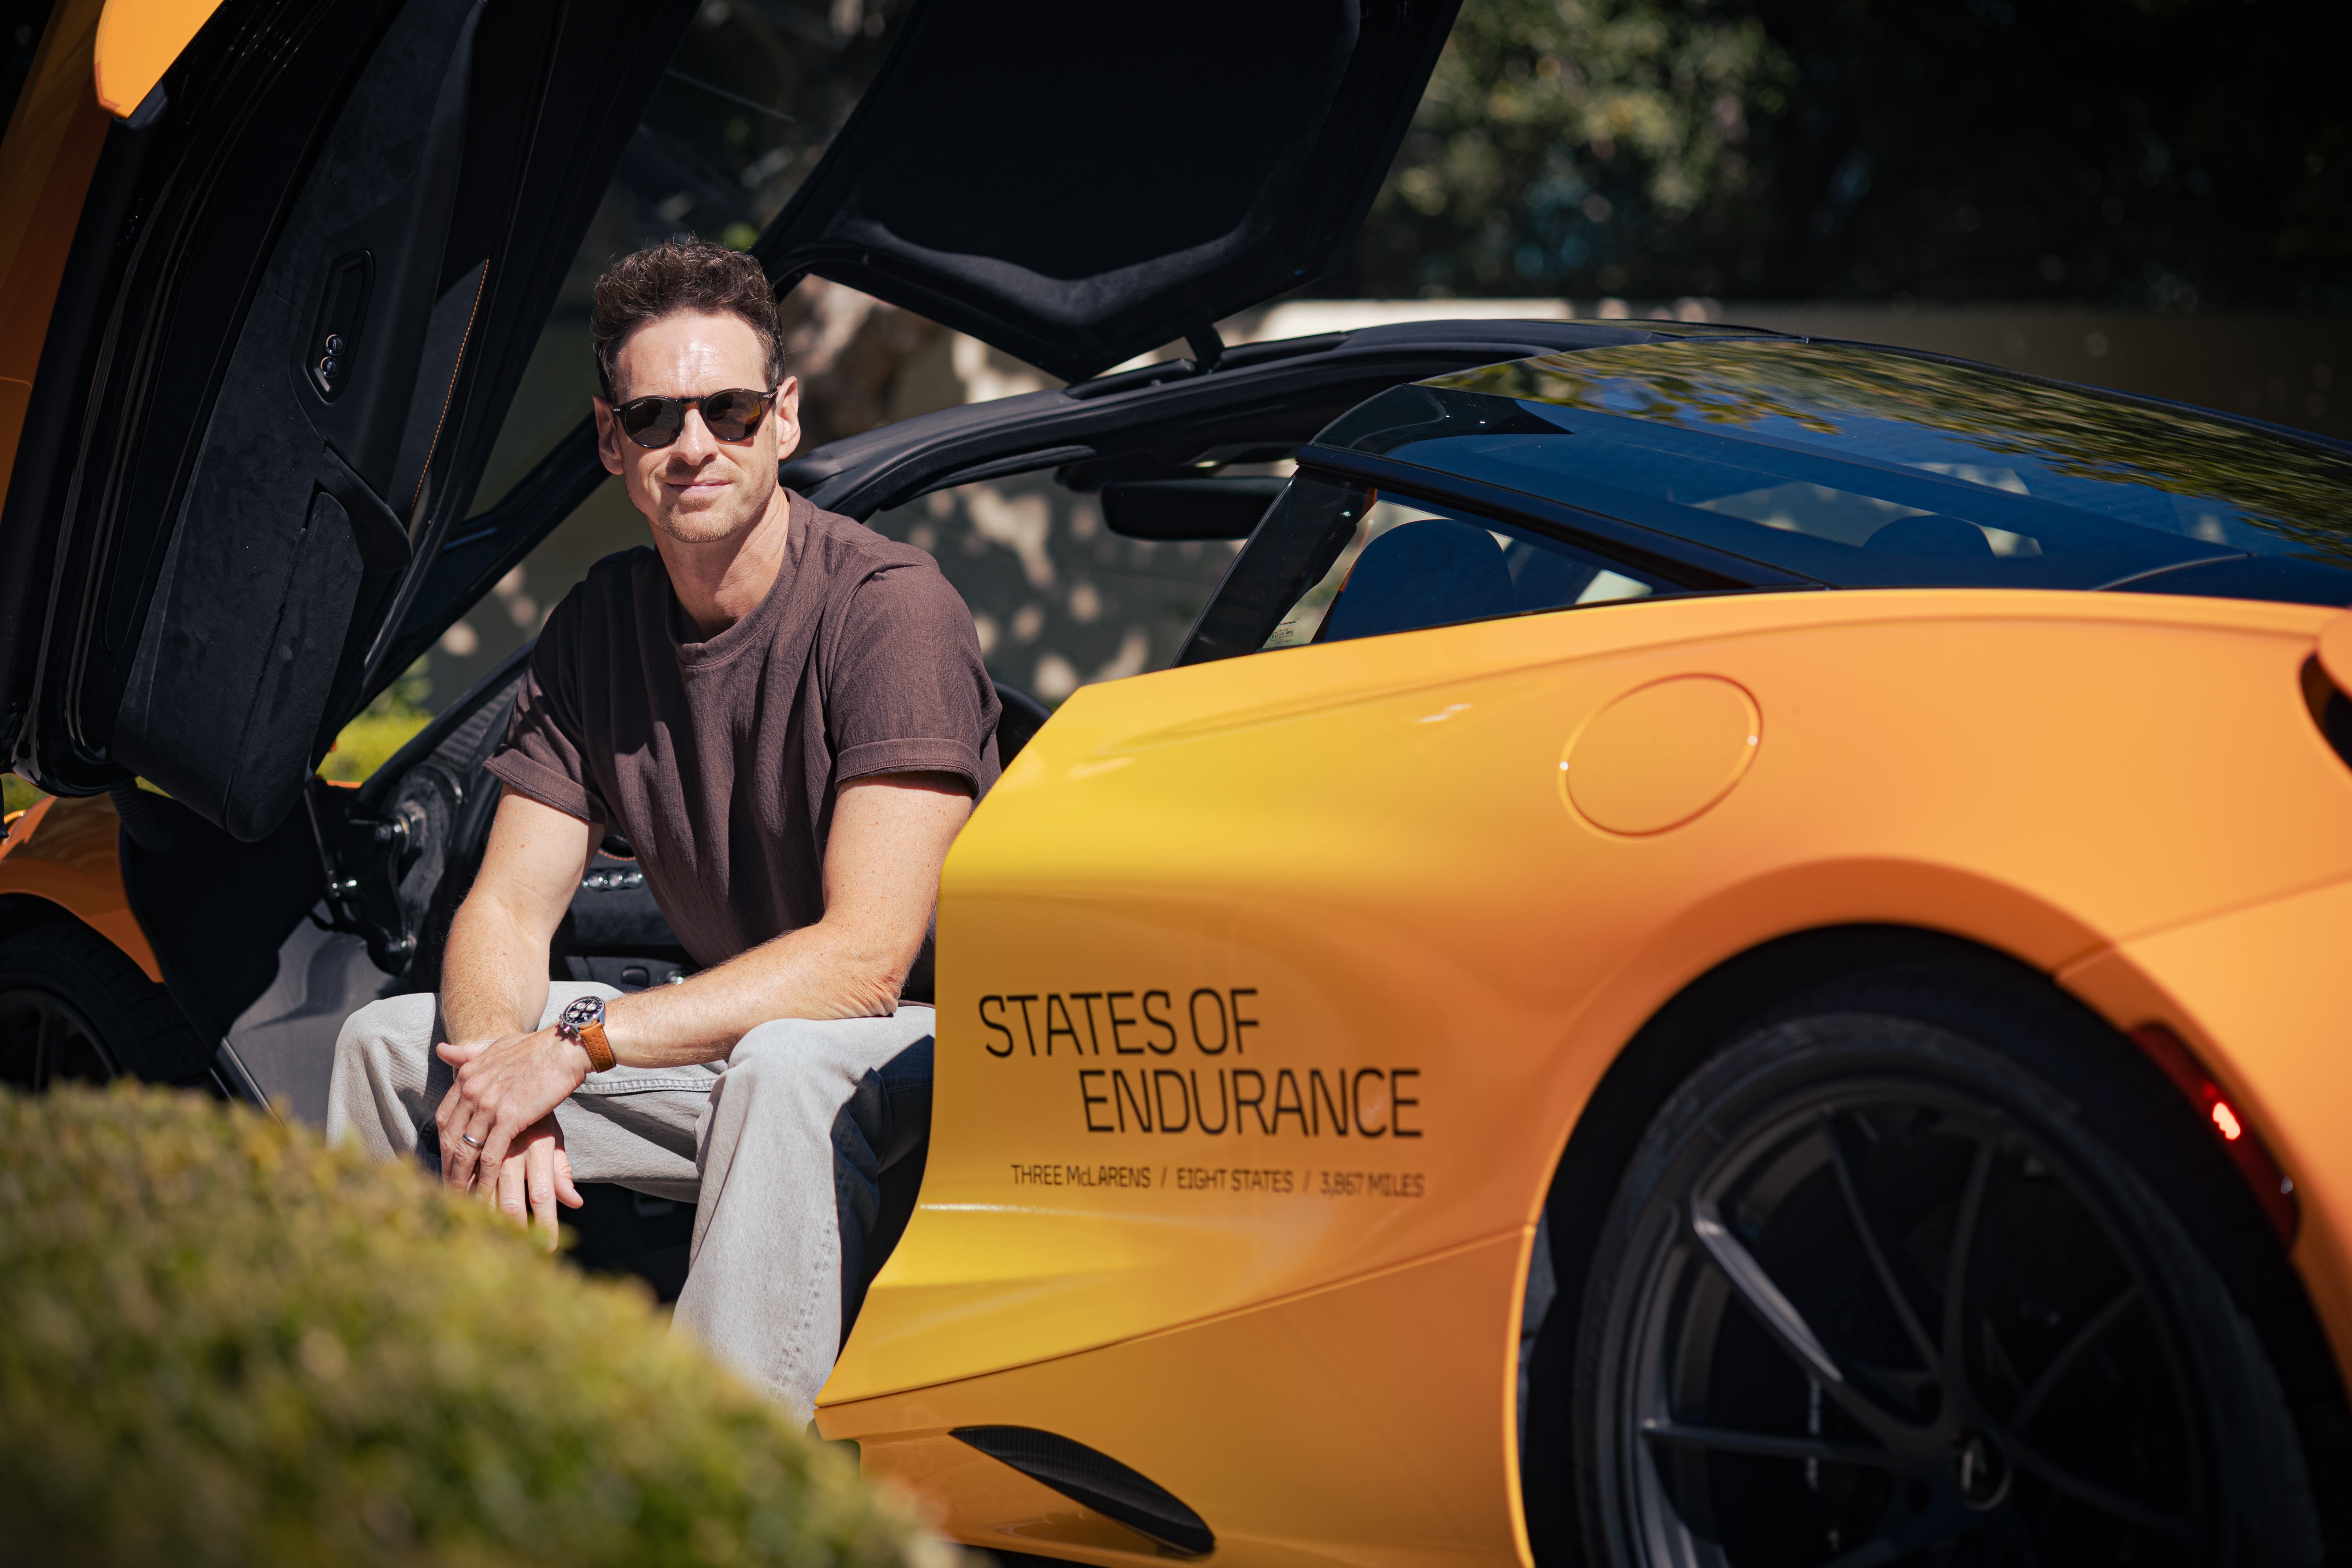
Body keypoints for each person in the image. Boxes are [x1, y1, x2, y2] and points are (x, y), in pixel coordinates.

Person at [327, 236, 998, 1422]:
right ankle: (403, 1440)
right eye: (656, 418)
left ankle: (713, 1489)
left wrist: (577, 1054)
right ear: (610, 443)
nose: (695, 445)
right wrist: (503, 1082)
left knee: (787, 1070)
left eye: (731, 410)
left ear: (784, 420)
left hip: (946, 1058)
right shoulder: (599, 628)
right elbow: (505, 906)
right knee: (389, 1047)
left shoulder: (892, 612)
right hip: (742, 1044)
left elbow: (864, 964)